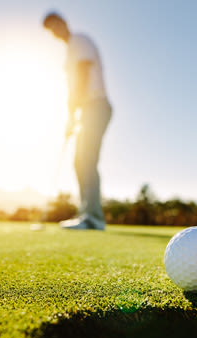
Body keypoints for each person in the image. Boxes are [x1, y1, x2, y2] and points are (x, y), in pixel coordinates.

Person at [43, 11, 112, 230]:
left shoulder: (79, 41)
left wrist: (73, 113)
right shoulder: (69, 51)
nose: (55, 33)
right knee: (81, 161)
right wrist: (72, 115)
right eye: (51, 31)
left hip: (96, 105)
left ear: (64, 23)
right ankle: (88, 214)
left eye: (56, 26)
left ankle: (93, 218)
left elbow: (82, 74)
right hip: (88, 109)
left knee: (85, 159)